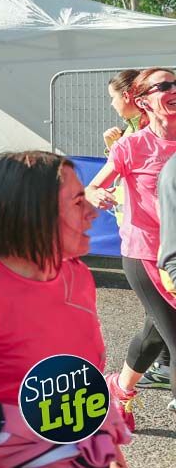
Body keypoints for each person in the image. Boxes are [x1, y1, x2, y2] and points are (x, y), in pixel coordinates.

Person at [0, 151, 129, 466]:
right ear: (33, 214)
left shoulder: (78, 275)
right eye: (78, 202)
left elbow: (79, 384)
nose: (92, 213)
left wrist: (111, 450)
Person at [85, 67, 176, 423]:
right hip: (146, 255)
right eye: (164, 85)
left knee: (153, 335)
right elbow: (93, 186)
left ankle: (119, 391)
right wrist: (96, 193)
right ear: (142, 101)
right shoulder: (132, 145)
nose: (174, 89)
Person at [103, 70, 169, 390]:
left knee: (156, 324)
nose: (112, 104)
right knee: (160, 320)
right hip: (143, 244)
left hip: (163, 243)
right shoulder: (133, 135)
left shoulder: (152, 127)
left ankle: (123, 387)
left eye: (113, 97)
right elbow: (113, 175)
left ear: (130, 96)